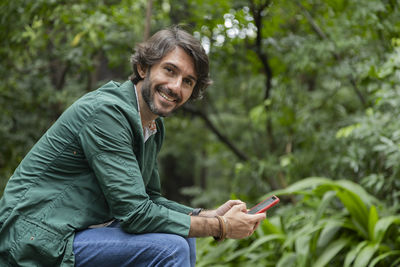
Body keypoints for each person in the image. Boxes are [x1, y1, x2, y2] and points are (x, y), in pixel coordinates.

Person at [0, 26, 266, 267]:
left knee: (185, 239)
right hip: (35, 237)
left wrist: (206, 215)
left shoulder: (152, 126)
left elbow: (149, 199)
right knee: (170, 249)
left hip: (75, 230)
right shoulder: (107, 113)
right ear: (143, 68)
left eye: (188, 81)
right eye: (170, 70)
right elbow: (136, 214)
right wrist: (219, 227)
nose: (176, 87)